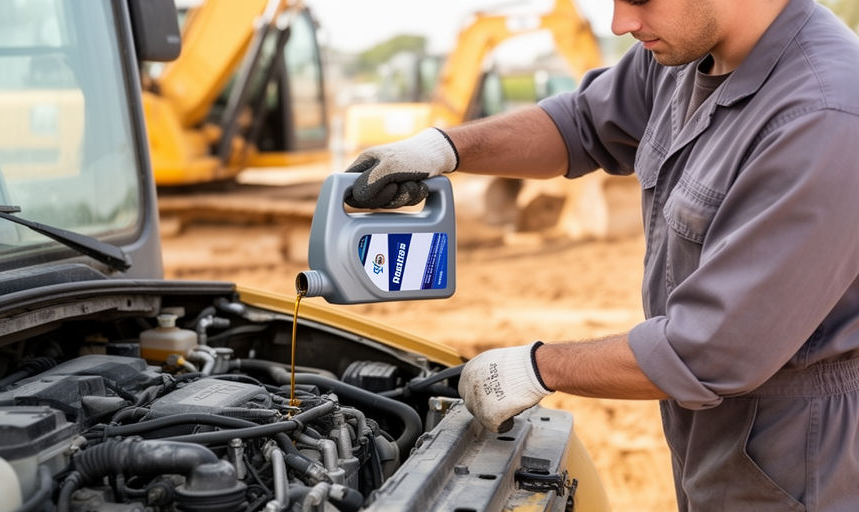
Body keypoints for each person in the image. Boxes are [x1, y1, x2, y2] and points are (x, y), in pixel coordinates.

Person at [343, 0, 859, 510]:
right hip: (712, 430)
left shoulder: (823, 114)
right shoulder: (684, 54)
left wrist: (537, 368)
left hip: (799, 455)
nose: (620, 23)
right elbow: (581, 124)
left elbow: (711, 348)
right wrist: (443, 148)